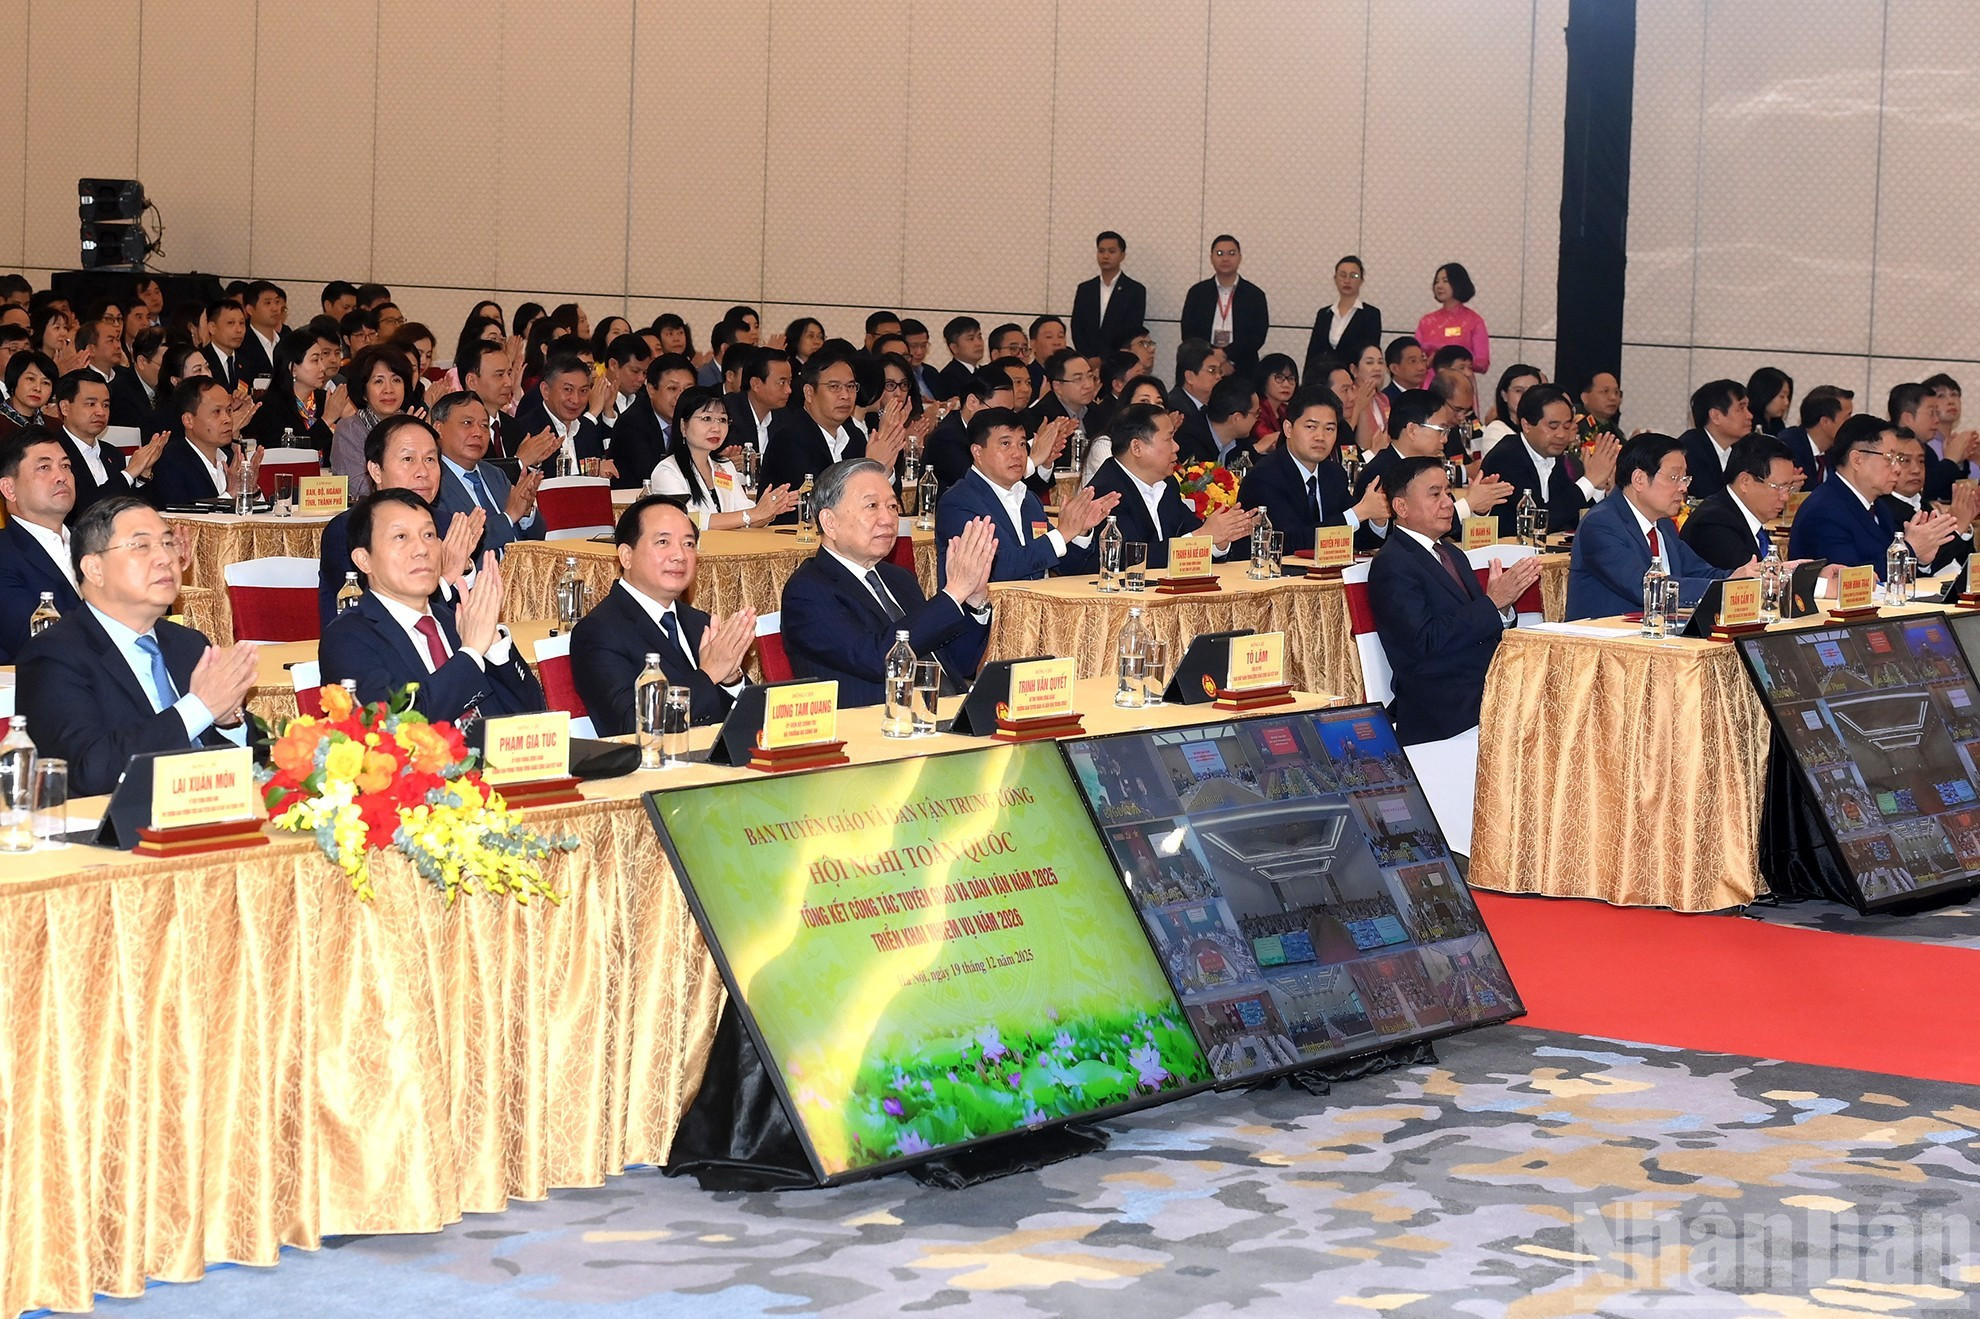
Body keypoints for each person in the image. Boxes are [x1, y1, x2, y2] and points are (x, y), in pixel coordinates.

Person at [17, 496, 258, 796]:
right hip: (117, 831)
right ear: (94, 569)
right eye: (142, 546)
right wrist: (199, 708)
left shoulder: (189, 644)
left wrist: (227, 722)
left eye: (168, 543)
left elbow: (248, 761)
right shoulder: (54, 655)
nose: (165, 559)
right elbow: (88, 771)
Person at [780, 458, 995, 705]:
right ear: (829, 522)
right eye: (872, 506)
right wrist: (954, 592)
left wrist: (974, 601)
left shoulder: (898, 578)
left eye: (892, 506)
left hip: (945, 714)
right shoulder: (808, 590)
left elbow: (958, 664)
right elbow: (876, 659)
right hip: (876, 727)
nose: (888, 519)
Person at [319, 488, 544, 722]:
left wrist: (494, 646)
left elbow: (535, 717)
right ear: (364, 560)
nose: (421, 549)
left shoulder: (454, 620)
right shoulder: (347, 637)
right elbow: (393, 725)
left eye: (429, 535)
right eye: (401, 537)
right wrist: (471, 653)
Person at [1368, 456, 1539, 745]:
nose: (1448, 502)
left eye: (1448, 492)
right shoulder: (1394, 563)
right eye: (1435, 494)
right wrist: (1491, 603)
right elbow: (1425, 641)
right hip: (1439, 699)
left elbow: (1480, 622)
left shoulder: (1451, 553)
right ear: (1401, 507)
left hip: (1479, 681)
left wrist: (1503, 607)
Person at [570, 495, 756, 733]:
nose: (679, 555)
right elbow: (630, 725)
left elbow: (750, 722)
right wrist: (709, 674)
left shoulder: (699, 622)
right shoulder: (598, 632)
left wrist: (731, 679)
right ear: (626, 556)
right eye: (663, 542)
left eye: (688, 544)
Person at [322, 411, 484, 624]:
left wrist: (465, 569)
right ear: (376, 470)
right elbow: (375, 617)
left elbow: (475, 615)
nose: (423, 472)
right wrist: (444, 577)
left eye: (430, 459)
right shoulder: (347, 530)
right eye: (408, 459)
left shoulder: (450, 526)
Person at [1566, 432, 1749, 619]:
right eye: (1674, 478)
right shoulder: (1601, 524)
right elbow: (1644, 587)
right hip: (1605, 642)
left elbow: (1699, 572)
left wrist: (1739, 577)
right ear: (1639, 479)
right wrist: (1724, 587)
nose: (1683, 488)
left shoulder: (1663, 525)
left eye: (1685, 479)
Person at [934, 408, 1114, 584]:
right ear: (977, 452)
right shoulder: (958, 501)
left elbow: (1065, 567)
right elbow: (997, 569)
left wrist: (1079, 530)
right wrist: (1061, 534)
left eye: (1022, 444)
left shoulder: (1028, 499)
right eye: (1006, 444)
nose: (1017, 453)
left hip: (1037, 608)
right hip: (990, 611)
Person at [1087, 403, 1257, 569]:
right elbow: (1129, 557)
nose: (1176, 447)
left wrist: (1220, 539)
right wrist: (1202, 536)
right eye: (1168, 439)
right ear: (1137, 447)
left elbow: (1193, 530)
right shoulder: (1106, 493)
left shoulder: (1167, 484)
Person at [1789, 414, 1957, 578]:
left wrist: (1921, 560)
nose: (1897, 468)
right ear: (1857, 460)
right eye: (1890, 458)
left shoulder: (1879, 506)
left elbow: (1884, 568)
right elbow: (1849, 578)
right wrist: (1910, 549)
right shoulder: (1824, 510)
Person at [1352, 390, 1513, 552]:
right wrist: (1468, 504)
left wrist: (1479, 508)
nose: (1445, 439)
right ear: (1412, 430)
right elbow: (1396, 535)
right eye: (1440, 430)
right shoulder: (1379, 473)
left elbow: (1452, 532)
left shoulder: (1430, 469)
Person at [1236, 386, 1386, 554]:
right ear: (1288, 429)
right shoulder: (1264, 477)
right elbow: (1290, 541)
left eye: (1329, 429)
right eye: (1311, 427)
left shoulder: (1334, 474)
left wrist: (1376, 519)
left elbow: (1359, 538)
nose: (1320, 437)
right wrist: (1358, 513)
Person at [759, 350, 906, 501]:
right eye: (834, 387)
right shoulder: (789, 439)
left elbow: (890, 501)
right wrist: (870, 467)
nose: (845, 395)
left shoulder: (855, 436)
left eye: (850, 386)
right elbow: (820, 501)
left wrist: (885, 470)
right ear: (809, 392)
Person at [1478, 384, 1618, 537]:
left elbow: (1573, 519)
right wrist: (1589, 481)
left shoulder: (1554, 457)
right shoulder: (1506, 457)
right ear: (1526, 425)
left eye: (1566, 426)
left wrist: (1597, 486)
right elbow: (1538, 522)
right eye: (1553, 427)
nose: (1561, 435)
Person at [649, 386, 796, 528]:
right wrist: (754, 514)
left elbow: (745, 512)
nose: (716, 428)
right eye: (706, 418)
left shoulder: (725, 466)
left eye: (722, 420)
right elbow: (689, 520)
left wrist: (771, 510)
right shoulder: (667, 471)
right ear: (683, 426)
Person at [0, 430, 82, 661]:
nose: (61, 476)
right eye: (44, 468)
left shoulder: (96, 543)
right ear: (9, 489)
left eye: (65, 466)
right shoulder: (5, 554)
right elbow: (35, 641)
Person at [53, 369, 166, 520]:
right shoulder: (53, 453)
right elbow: (80, 510)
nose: (100, 412)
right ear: (65, 407)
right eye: (91, 404)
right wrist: (129, 472)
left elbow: (134, 509)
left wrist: (143, 475)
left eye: (105, 405)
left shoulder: (112, 453)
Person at [1679, 435, 1803, 570]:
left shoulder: (1739, 517)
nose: (1785, 497)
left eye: (1789, 488)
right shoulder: (1713, 524)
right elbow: (1750, 584)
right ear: (1745, 481)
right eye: (1778, 487)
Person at [146, 377, 255, 508]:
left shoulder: (230, 459)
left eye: (229, 410)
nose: (227, 419)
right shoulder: (170, 461)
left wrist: (253, 491)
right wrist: (229, 495)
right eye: (217, 412)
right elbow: (181, 519)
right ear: (188, 420)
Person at [1877, 427, 1974, 572]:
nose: (1916, 469)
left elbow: (1966, 565)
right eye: (1905, 460)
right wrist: (1958, 527)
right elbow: (1927, 567)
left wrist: (1962, 526)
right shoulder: (1882, 509)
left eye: (1921, 461)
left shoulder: (1926, 506)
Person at [327, 344, 416, 498]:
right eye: (378, 382)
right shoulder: (349, 429)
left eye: (396, 380)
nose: (389, 389)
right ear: (364, 392)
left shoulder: (413, 427)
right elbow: (358, 488)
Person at [244, 324, 351, 450]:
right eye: (315, 360)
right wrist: (327, 419)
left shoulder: (324, 400)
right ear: (293, 368)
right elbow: (290, 455)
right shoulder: (269, 407)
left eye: (321, 359)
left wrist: (347, 422)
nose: (322, 367)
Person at [511, 351, 612, 477]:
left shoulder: (587, 428)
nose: (576, 400)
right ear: (546, 390)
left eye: (583, 391)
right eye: (568, 390)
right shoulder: (524, 430)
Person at [1180, 234, 1269, 376]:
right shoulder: (1197, 293)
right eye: (1220, 253)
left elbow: (1257, 335)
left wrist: (1227, 356)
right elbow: (1189, 332)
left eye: (1231, 253)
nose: (1225, 258)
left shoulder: (1255, 295)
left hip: (1242, 368)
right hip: (1202, 368)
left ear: (1240, 257)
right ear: (1211, 258)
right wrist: (1213, 356)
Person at [609, 351, 695, 491]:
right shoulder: (632, 423)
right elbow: (654, 473)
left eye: (688, 389)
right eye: (672, 388)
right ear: (651, 390)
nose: (681, 397)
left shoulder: (694, 418)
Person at [924, 368, 1017, 489]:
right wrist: (1031, 462)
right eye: (998, 412)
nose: (1005, 420)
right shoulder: (946, 437)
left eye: (1009, 412)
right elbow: (977, 484)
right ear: (972, 402)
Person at [1304, 255, 1382, 382]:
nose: (1347, 280)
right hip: (1324, 381)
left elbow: (1369, 353)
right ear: (1335, 279)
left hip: (1353, 381)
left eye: (1353, 276)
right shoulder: (1324, 314)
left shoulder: (1371, 314)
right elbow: (1312, 353)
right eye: (1342, 275)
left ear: (1362, 280)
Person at [1071, 230, 1147, 355]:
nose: (1105, 256)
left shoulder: (1135, 290)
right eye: (1101, 251)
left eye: (1112, 251)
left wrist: (1103, 358)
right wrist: (1089, 356)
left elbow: (1131, 330)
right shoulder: (1085, 289)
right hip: (1087, 359)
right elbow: (1077, 327)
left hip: (1118, 359)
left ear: (1122, 255)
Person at [1677, 379, 1753, 502]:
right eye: (1741, 408)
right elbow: (1710, 500)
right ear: (1716, 416)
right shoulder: (1690, 451)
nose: (1750, 415)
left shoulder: (1741, 450)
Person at [1414, 263, 1489, 374]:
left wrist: (1456, 360)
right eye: (1437, 281)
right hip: (1429, 384)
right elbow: (1414, 357)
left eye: (1445, 281)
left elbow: (1483, 364)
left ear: (1458, 283)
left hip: (1461, 384)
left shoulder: (1474, 320)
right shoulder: (1427, 321)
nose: (1439, 286)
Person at [1778, 385, 1853, 488]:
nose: (1851, 424)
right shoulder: (1787, 449)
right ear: (1825, 422)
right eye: (1847, 418)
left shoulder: (1837, 452)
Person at [723, 347, 792, 457]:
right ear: (755, 384)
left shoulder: (784, 418)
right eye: (782, 382)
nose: (789, 390)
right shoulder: (727, 413)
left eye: (789, 382)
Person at [1480, 363, 1544, 450]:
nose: (1526, 396)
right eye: (1518, 390)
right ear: (1504, 395)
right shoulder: (1496, 430)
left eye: (1532, 390)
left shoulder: (1543, 428)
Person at [1252, 354, 1299, 446]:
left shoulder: (1286, 409)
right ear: (1264, 378)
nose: (1286, 384)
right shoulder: (1255, 408)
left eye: (1291, 379)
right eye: (1279, 377)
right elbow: (1269, 441)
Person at [934, 317, 985, 399]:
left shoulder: (985, 373)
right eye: (971, 339)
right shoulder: (948, 378)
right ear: (954, 347)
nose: (978, 343)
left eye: (979, 337)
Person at [1577, 371, 1624, 443]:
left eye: (1616, 392)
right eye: (1605, 391)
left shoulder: (1615, 431)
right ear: (1585, 398)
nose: (1613, 397)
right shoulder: (1575, 426)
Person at [1746, 366, 1793, 436]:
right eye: (1782, 396)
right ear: (1765, 393)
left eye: (1788, 397)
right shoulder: (1747, 425)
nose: (1786, 403)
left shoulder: (1778, 425)